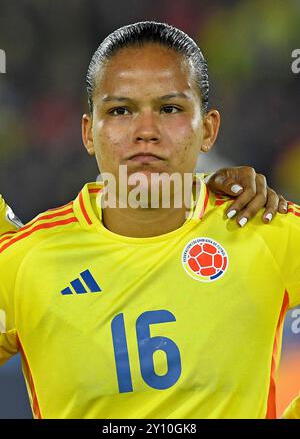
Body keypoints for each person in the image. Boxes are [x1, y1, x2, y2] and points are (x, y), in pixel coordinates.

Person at [0, 21, 299, 419]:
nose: (146, 132)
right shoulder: (25, 262)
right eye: (120, 110)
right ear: (89, 133)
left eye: (170, 108)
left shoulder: (264, 229)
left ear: (208, 129)